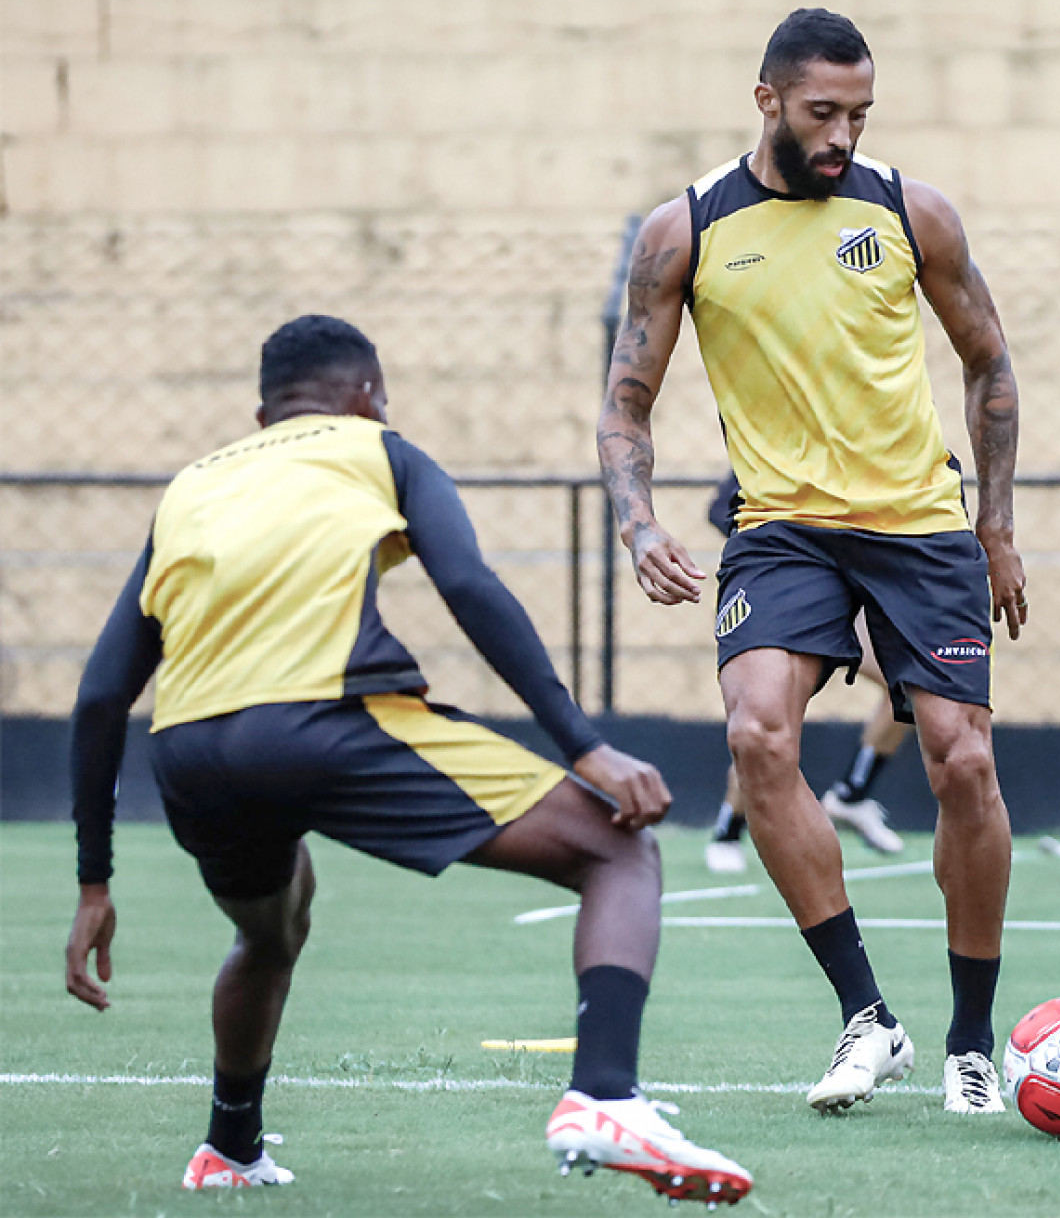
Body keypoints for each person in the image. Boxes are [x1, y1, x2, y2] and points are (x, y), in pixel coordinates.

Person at [62, 316, 750, 1204]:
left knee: (270, 928)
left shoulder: (192, 484)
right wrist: (586, 747)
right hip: (326, 721)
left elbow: (98, 694)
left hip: (190, 752)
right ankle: (606, 1098)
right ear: (367, 394)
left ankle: (228, 1147)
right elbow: (468, 584)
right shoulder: (381, 449)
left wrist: (93, 884)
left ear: (262, 410)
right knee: (617, 850)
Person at [597, 8, 1026, 1117]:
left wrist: (998, 525)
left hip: (918, 523)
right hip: (780, 525)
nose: (841, 134)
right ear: (767, 101)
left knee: (961, 762)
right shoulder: (684, 230)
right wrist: (639, 520)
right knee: (755, 734)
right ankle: (865, 1016)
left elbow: (987, 362)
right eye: (822, 113)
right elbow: (626, 401)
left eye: (859, 114)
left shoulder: (906, 210)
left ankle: (971, 1040)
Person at [703, 473, 909, 874]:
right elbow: (720, 509)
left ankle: (852, 794)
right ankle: (729, 829)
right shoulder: (780, 443)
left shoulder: (872, 442)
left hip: (858, 590)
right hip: (793, 593)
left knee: (908, 682)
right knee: (770, 712)